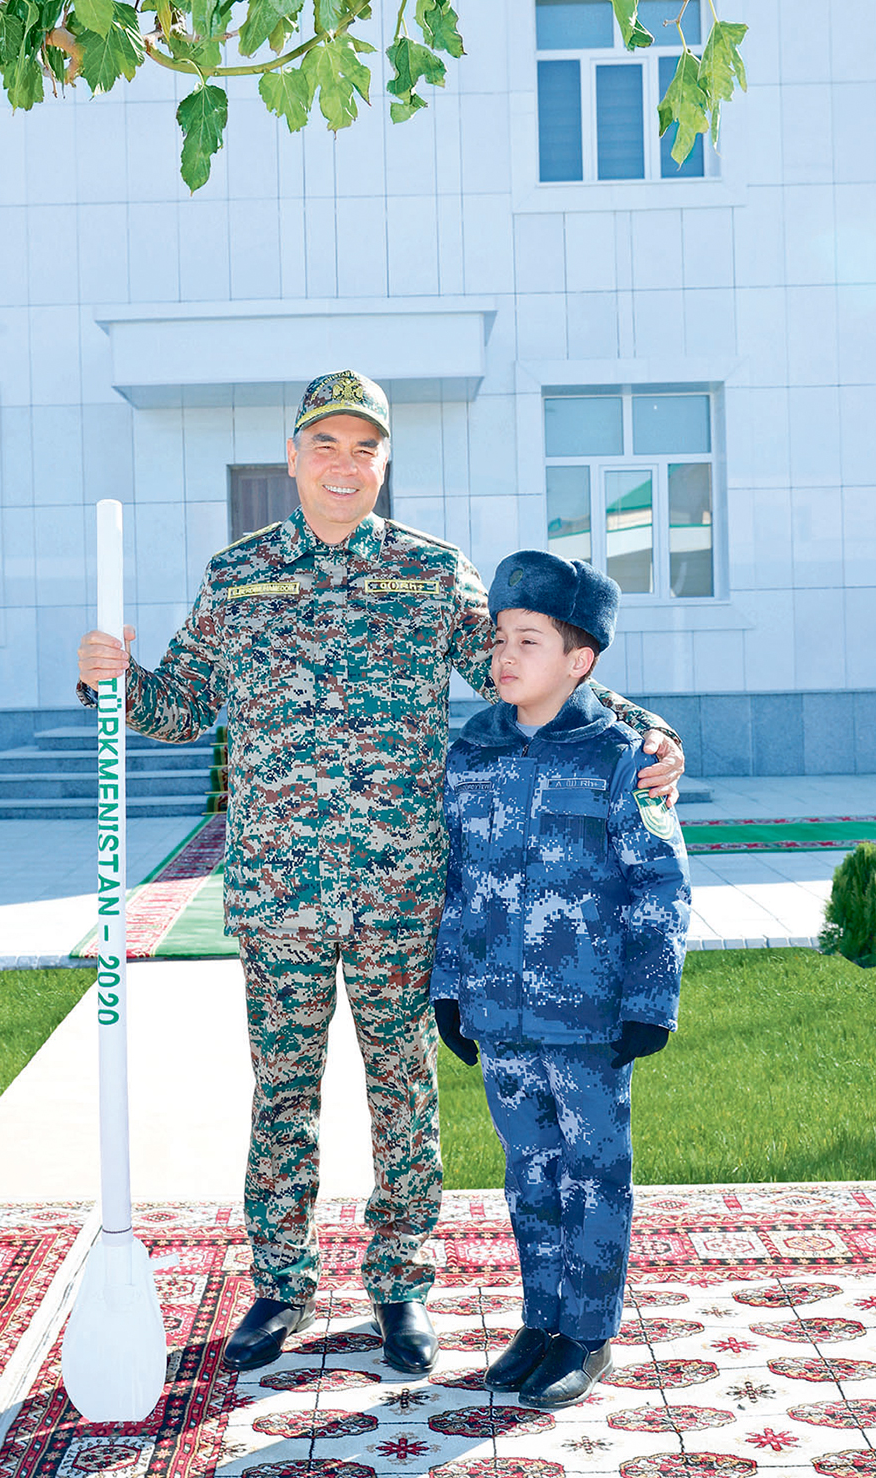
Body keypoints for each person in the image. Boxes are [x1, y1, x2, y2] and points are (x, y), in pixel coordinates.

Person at [75, 370, 686, 1379]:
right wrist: (113, 678)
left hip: (404, 889)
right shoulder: (239, 578)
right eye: (326, 445)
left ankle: (402, 1286)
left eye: (365, 447)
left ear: (384, 462)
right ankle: (280, 1282)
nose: (345, 465)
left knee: (403, 1091)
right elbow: (178, 704)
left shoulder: (431, 575)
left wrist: (646, 731)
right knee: (283, 1092)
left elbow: (527, 662)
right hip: (279, 892)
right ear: (293, 458)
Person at [430, 548, 690, 1409]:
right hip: (501, 1012)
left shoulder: (623, 756)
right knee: (529, 1172)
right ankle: (542, 1320)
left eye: (529, 640)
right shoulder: (472, 753)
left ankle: (588, 1332)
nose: (505, 657)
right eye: (501, 637)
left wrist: (652, 1002)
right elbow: (456, 880)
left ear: (580, 660)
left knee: (592, 1171)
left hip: (588, 1014)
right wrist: (449, 989)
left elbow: (660, 880)